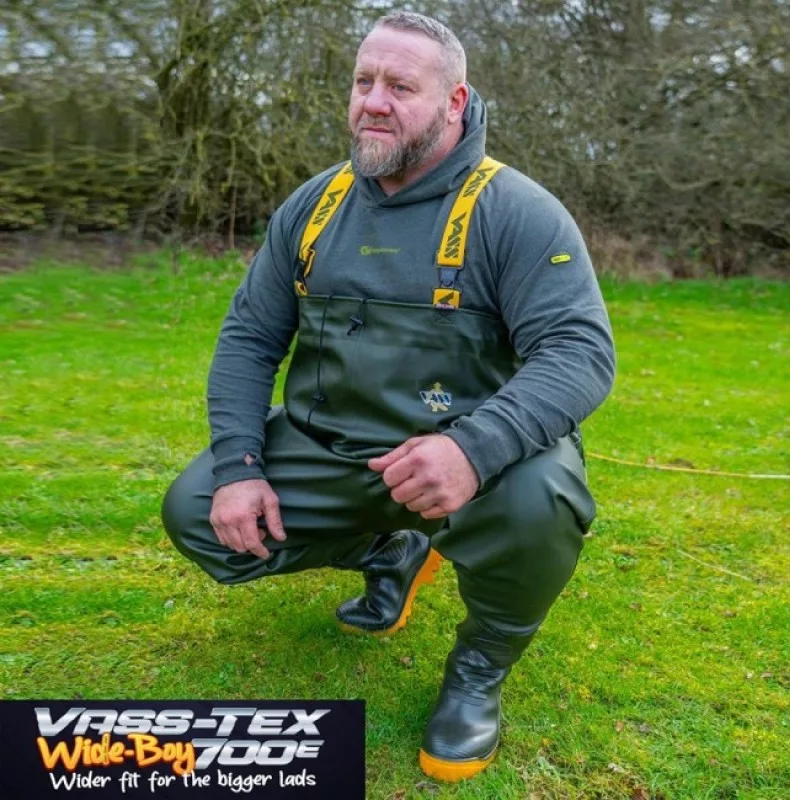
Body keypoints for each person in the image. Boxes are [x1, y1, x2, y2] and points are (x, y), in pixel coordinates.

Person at [162, 11, 615, 783]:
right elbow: (248, 338)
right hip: (335, 451)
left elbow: (580, 353)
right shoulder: (315, 207)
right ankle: (390, 551)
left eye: (400, 86)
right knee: (196, 514)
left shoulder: (516, 212)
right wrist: (239, 466)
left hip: (474, 466)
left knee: (541, 502)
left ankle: (479, 668)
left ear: (453, 102)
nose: (373, 101)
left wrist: (473, 449)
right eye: (363, 81)